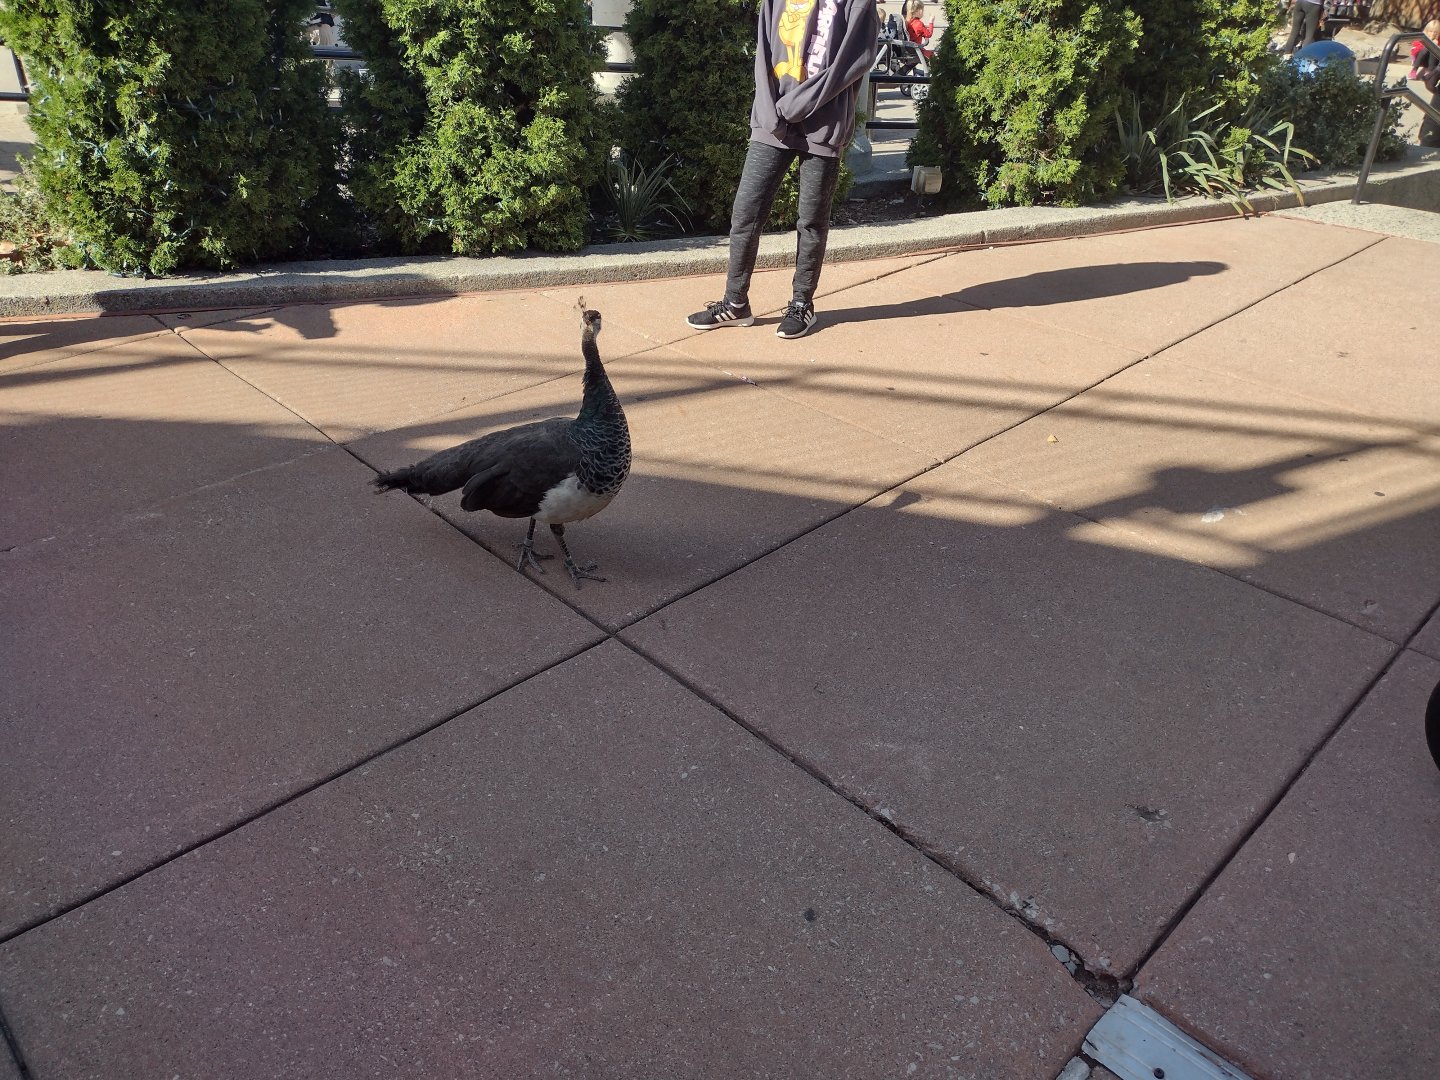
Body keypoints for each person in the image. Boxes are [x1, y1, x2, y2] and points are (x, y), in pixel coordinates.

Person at [687, 1, 881, 340]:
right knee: (745, 212)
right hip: (772, 119)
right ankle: (735, 304)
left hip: (823, 124)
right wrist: (767, 108)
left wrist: (798, 103)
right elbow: (764, 49)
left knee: (811, 220)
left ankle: (802, 304)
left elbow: (855, 58)